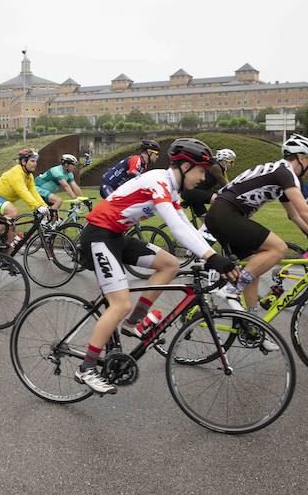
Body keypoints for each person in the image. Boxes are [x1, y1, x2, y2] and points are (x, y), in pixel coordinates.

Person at [73, 139, 240, 394]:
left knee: (169, 264)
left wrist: (211, 254)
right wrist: (210, 257)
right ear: (185, 166)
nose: (203, 177)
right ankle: (86, 367)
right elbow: (174, 227)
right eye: (201, 170)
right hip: (97, 236)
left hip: (115, 236)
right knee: (120, 303)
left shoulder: (171, 189)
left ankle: (133, 323)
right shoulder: (157, 181)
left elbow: (185, 225)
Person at [205, 134, 308, 319]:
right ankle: (231, 289)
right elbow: (305, 211)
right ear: (301, 158)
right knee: (279, 248)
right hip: (226, 214)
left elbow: (294, 216)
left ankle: (251, 322)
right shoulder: (285, 172)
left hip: (221, 214)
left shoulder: (281, 174)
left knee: (254, 267)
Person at [0, 148, 50, 250]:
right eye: (32, 161)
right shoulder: (16, 173)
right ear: (24, 162)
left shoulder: (29, 176)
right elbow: (23, 191)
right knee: (14, 212)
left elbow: (33, 192)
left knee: (11, 233)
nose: (35, 164)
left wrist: (44, 206)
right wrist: (36, 206)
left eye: (36, 161)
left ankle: (5, 260)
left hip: (3, 201)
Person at [180, 148, 235, 222]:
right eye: (231, 162)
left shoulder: (219, 167)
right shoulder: (216, 167)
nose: (232, 165)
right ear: (224, 160)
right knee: (220, 200)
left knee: (207, 224)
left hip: (194, 193)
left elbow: (227, 183)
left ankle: (202, 231)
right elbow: (226, 185)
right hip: (191, 192)